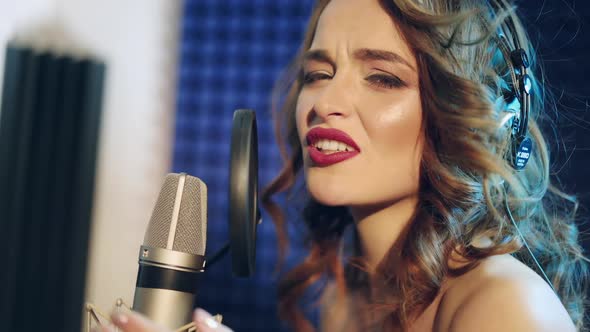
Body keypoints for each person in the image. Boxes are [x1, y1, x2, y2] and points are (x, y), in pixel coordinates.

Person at [96, 0, 588, 331]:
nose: (326, 100)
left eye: (382, 78)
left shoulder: (504, 307)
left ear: (469, 115)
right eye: (317, 73)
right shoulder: (349, 300)